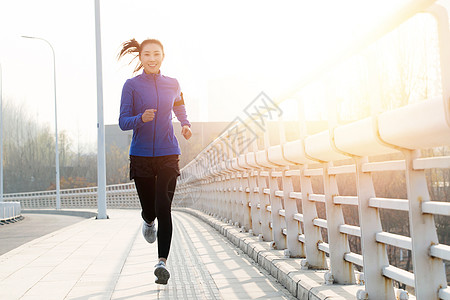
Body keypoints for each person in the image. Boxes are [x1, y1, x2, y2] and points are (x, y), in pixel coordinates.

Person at [117, 38, 192, 285]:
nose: (152, 58)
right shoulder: (131, 85)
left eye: (156, 54)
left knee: (164, 207)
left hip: (168, 152)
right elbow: (123, 121)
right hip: (141, 155)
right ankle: (147, 220)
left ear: (163, 56)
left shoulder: (173, 83)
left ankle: (162, 262)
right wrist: (141, 117)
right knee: (151, 209)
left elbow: (179, 106)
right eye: (147, 54)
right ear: (140, 57)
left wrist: (186, 124)